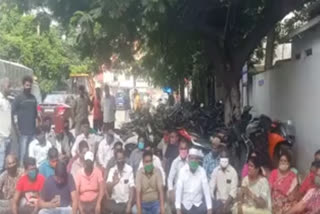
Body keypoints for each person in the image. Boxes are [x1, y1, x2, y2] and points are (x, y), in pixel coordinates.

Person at [175, 148, 212, 214]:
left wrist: (209, 209)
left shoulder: (202, 171)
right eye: (192, 158)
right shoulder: (182, 171)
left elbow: (206, 191)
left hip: (198, 205)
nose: (194, 161)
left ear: (198, 160)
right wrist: (178, 209)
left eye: (196, 159)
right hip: (185, 205)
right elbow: (178, 191)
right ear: (188, 159)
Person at [12, 75, 38, 164]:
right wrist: (17, 129)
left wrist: (37, 128)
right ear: (23, 85)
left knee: (32, 155)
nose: (28, 87)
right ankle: (21, 171)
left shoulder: (33, 98)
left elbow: (36, 115)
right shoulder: (18, 98)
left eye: (30, 85)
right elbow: (13, 114)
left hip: (33, 132)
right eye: (27, 85)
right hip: (22, 132)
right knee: (22, 154)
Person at [105, 149, 134, 214]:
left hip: (125, 202)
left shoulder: (129, 169)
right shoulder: (112, 170)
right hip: (115, 202)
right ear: (115, 160)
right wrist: (114, 183)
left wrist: (129, 204)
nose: (120, 161)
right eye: (119, 159)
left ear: (124, 158)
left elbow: (132, 188)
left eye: (122, 159)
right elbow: (107, 187)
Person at [210, 150, 238, 214]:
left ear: (229, 159)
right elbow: (211, 187)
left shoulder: (233, 172)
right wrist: (214, 201)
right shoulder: (215, 171)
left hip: (229, 202)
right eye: (222, 157)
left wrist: (225, 205)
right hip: (218, 202)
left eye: (226, 157)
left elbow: (233, 191)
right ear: (219, 158)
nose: (224, 159)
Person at [168, 140, 189, 205]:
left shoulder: (190, 161)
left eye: (185, 148)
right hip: (177, 189)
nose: (183, 150)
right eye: (181, 148)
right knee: (169, 196)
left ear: (187, 149)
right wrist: (171, 191)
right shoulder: (175, 162)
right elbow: (170, 179)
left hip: (188, 189)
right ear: (178, 149)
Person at [0, 78, 11, 171]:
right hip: (1, 137)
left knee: (7, 165)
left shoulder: (7, 100)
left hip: (8, 136)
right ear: (3, 87)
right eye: (9, 86)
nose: (10, 89)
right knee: (1, 164)